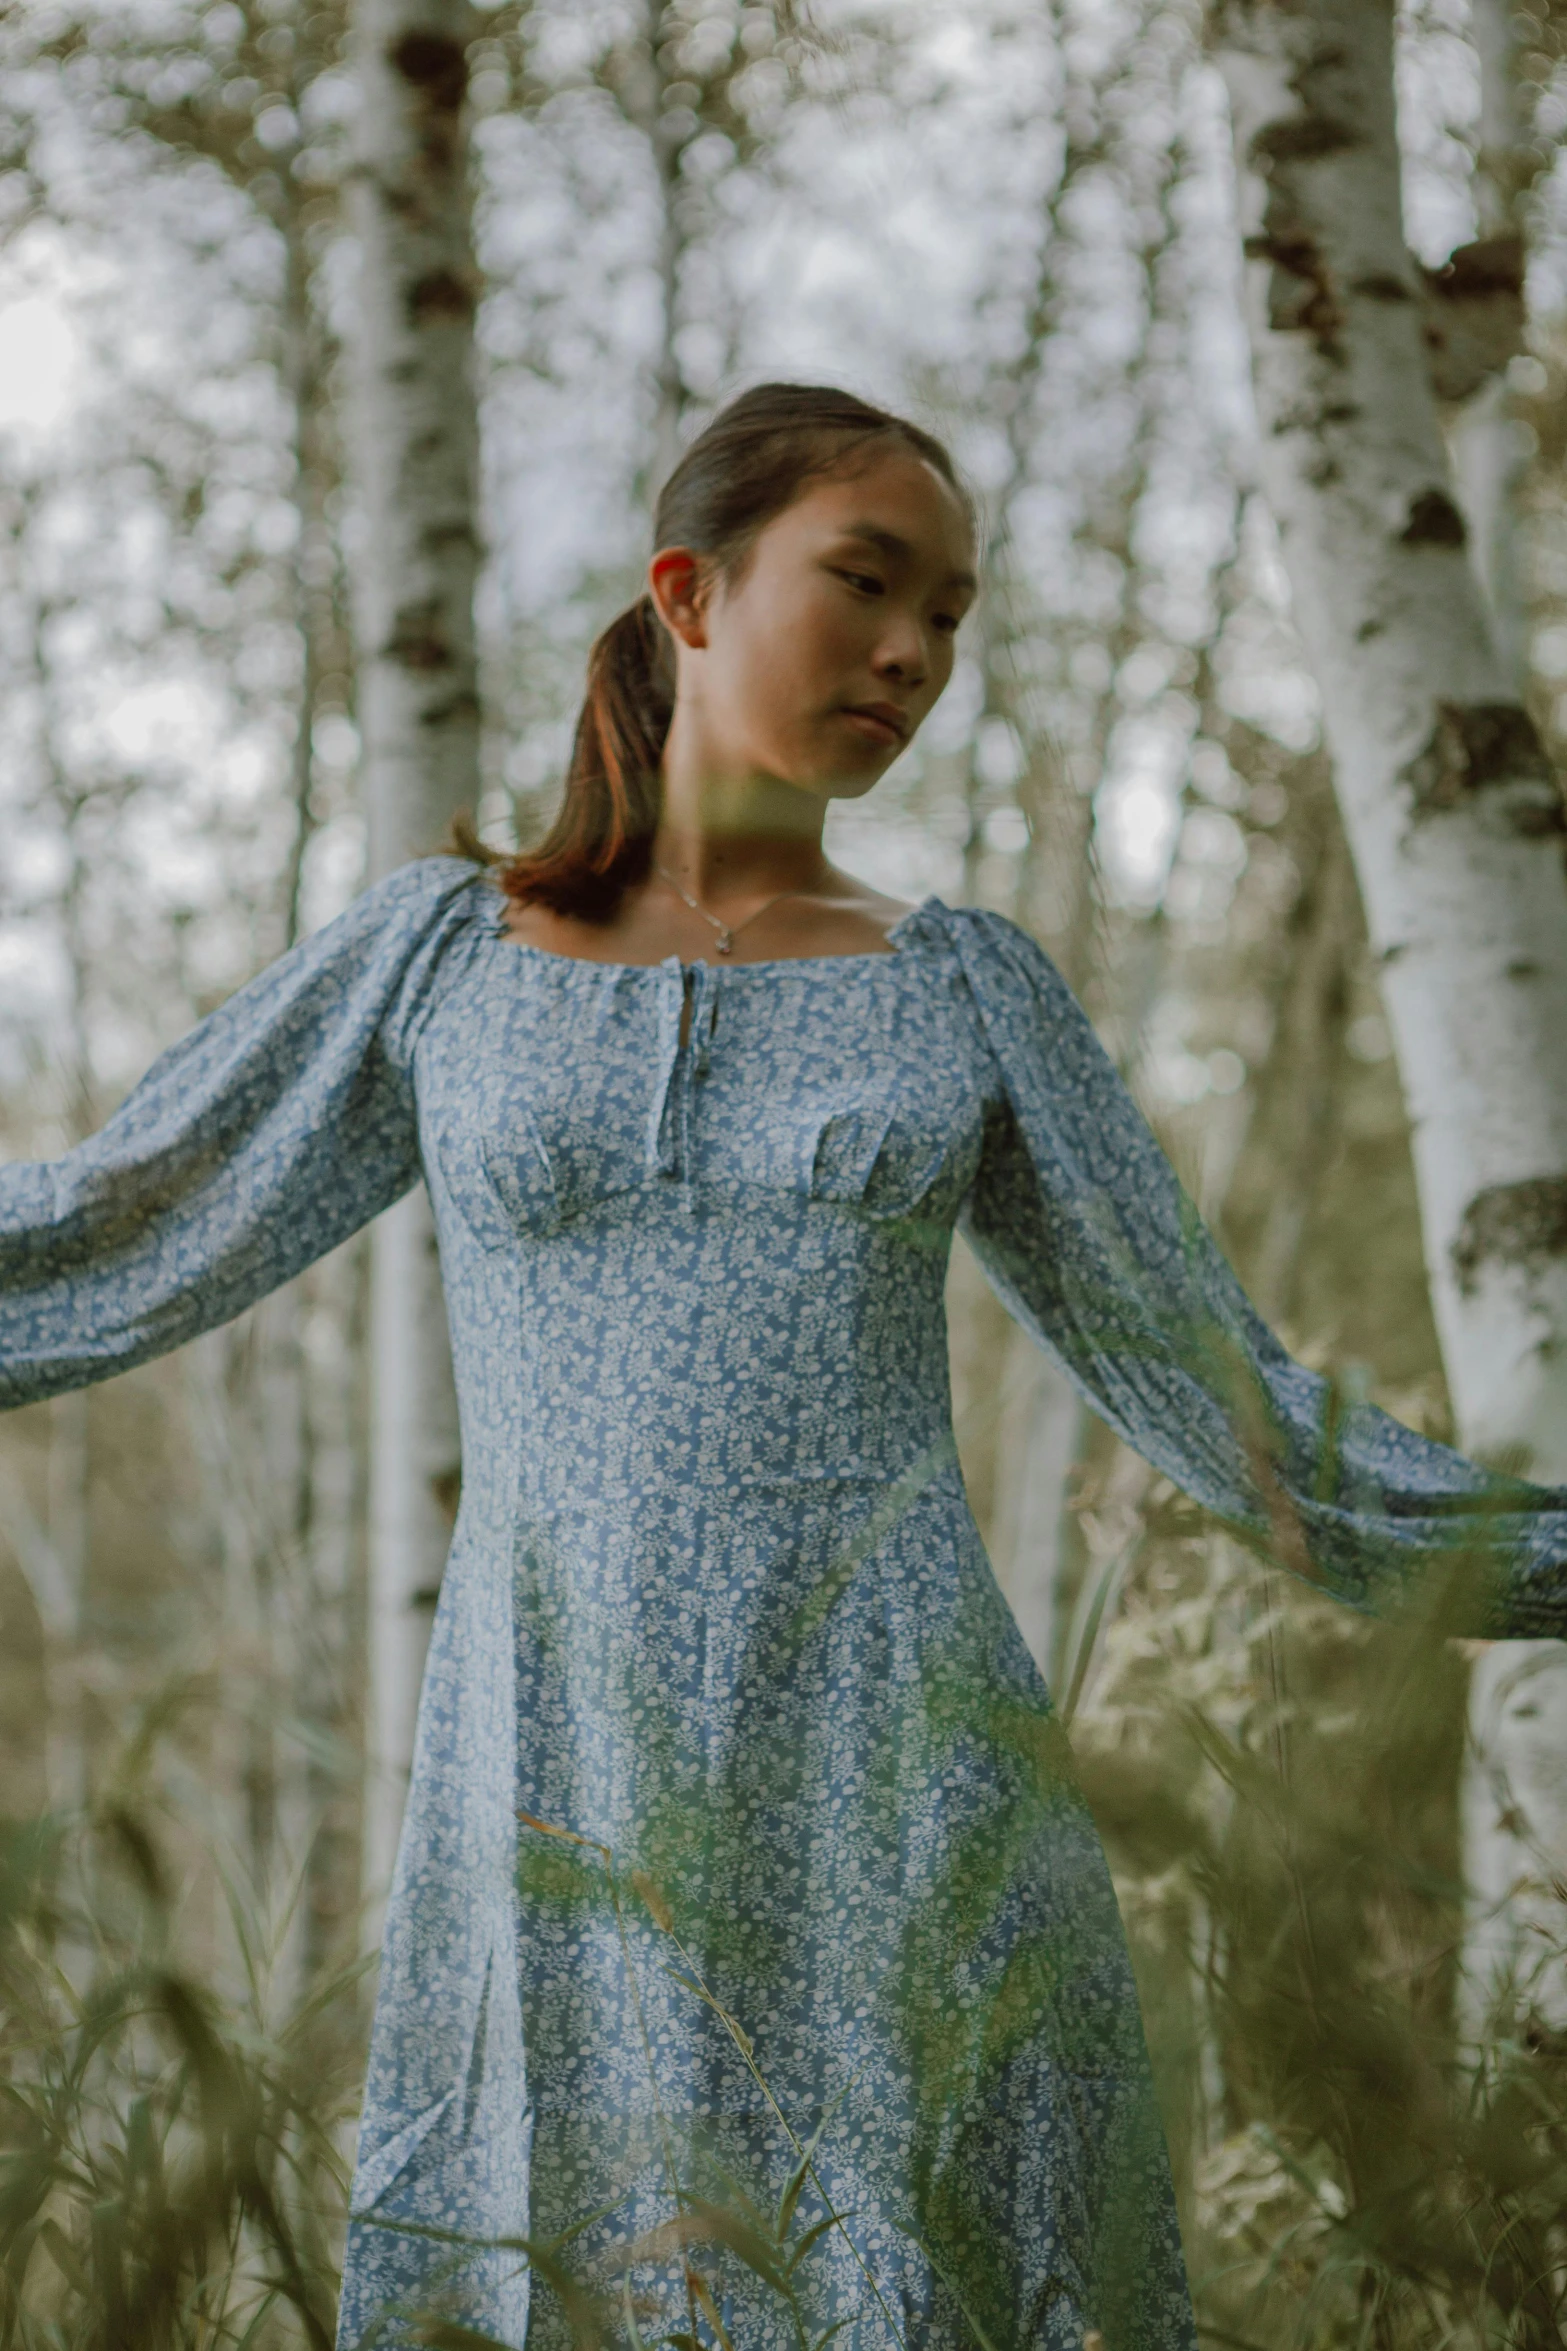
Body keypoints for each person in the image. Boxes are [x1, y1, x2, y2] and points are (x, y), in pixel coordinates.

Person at [2, 381, 1564, 2351]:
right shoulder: (438, 964)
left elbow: (1260, 1434)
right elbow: (97, 1230)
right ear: (691, 588)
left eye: (953, 613)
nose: (915, 650)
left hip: (900, 1797)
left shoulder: (965, 994)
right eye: (868, 581)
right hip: (550, 1793)